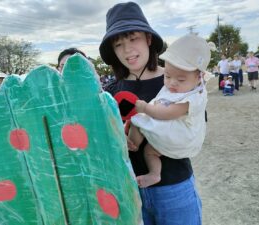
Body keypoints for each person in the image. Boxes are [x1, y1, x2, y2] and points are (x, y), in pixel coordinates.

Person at [99, 2, 202, 224]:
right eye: (118, 44)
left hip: (175, 188)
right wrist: (119, 139)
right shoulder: (110, 92)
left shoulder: (177, 81)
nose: (127, 50)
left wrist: (153, 131)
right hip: (130, 193)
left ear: (148, 39)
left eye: (133, 38)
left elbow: (194, 126)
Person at [128, 34, 210, 188]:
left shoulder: (194, 97)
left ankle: (132, 145)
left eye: (180, 80)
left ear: (199, 77)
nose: (172, 83)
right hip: (173, 135)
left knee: (138, 120)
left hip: (180, 136)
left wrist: (145, 108)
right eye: (167, 76)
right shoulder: (180, 87)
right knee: (150, 152)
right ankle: (154, 174)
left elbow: (167, 113)